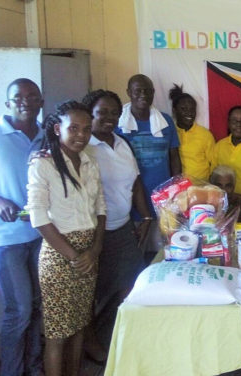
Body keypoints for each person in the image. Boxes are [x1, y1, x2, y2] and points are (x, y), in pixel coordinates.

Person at [26, 101, 106, 376]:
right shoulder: (43, 164)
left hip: (88, 253)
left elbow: (101, 209)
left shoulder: (89, 161)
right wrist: (75, 257)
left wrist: (94, 250)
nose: (81, 135)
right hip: (60, 256)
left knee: (80, 325)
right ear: (59, 128)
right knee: (58, 333)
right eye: (73, 129)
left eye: (86, 129)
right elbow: (38, 218)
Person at [82, 89, 151, 355]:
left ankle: (125, 338)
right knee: (91, 291)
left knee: (130, 284)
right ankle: (91, 343)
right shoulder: (83, 145)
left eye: (115, 113)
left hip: (122, 227)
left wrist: (145, 216)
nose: (110, 118)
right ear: (91, 114)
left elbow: (135, 184)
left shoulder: (122, 143)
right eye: (103, 112)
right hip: (91, 232)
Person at [0, 78, 44, 376]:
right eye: (18, 97)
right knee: (20, 311)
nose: (25, 101)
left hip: (43, 235)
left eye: (32, 96)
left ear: (41, 101)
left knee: (39, 308)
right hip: (8, 239)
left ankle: (35, 368)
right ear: (7, 104)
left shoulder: (46, 136)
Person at [116, 74, 181, 260]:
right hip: (131, 201)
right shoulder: (118, 125)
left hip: (163, 201)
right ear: (129, 93)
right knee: (136, 255)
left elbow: (174, 157)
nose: (142, 95)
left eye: (147, 91)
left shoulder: (166, 122)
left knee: (162, 253)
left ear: (153, 93)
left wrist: (176, 191)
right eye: (137, 91)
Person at [169, 84, 215, 180]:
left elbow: (214, 163)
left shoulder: (205, 135)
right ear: (174, 111)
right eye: (183, 109)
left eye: (192, 109)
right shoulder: (170, 133)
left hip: (201, 187)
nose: (189, 113)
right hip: (178, 188)